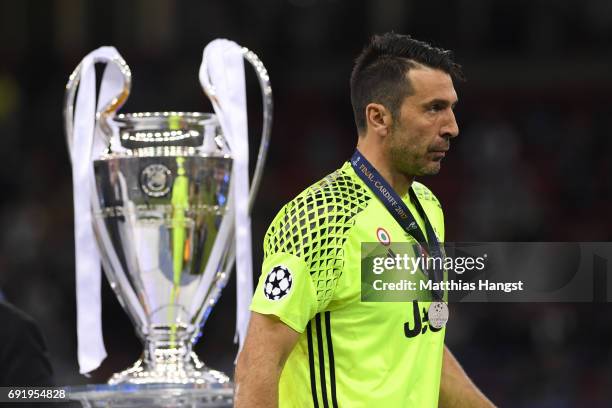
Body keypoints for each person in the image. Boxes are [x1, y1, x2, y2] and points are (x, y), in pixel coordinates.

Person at [235, 33, 495, 407]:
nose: (452, 126)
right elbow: (257, 366)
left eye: (452, 108)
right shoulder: (322, 219)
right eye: (434, 108)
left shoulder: (426, 208)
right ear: (379, 117)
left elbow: (418, 345)